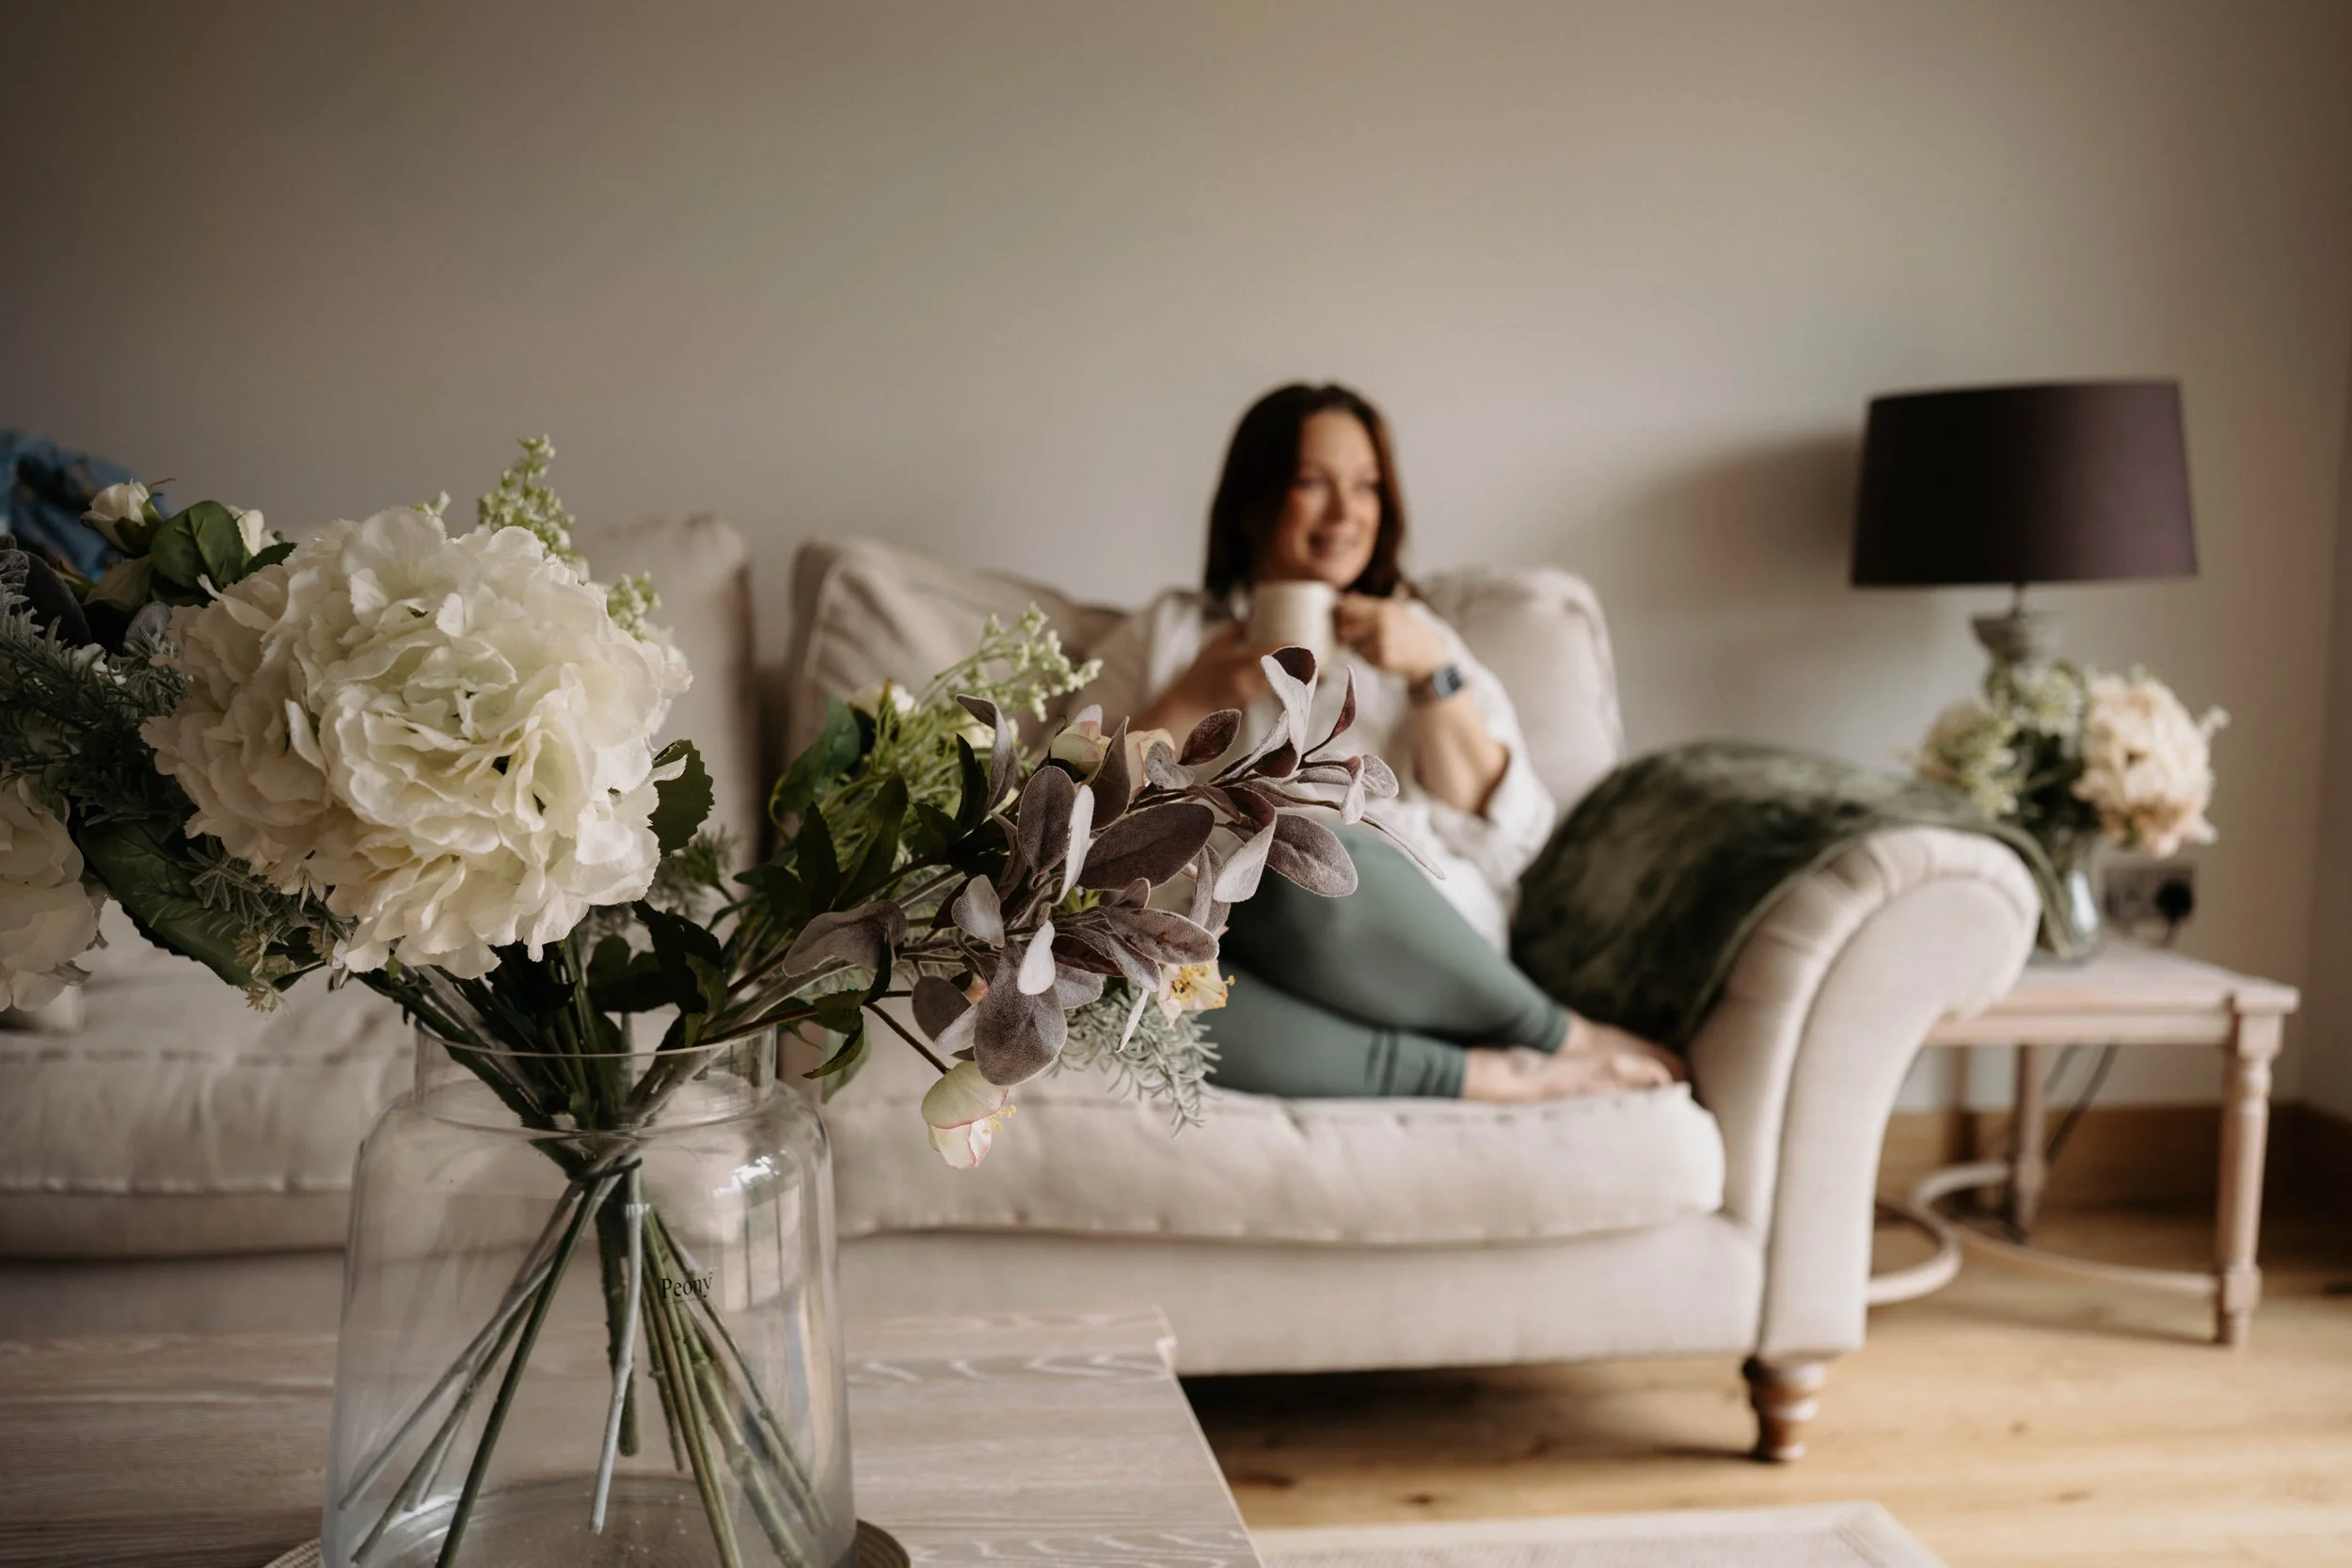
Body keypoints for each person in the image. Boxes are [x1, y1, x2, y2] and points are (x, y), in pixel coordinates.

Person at [1082, 383, 1682, 1101]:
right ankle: (1487, 1075)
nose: (1346, 514)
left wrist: (1433, 677)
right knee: (1128, 991)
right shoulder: (1172, 634)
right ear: (1254, 500)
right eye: (1313, 483)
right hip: (1241, 955)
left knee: (1288, 845)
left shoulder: (1422, 640)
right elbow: (1058, 815)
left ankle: (1561, 1033)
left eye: (1366, 487)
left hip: (1412, 948)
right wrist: (1189, 697)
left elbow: (1509, 840)